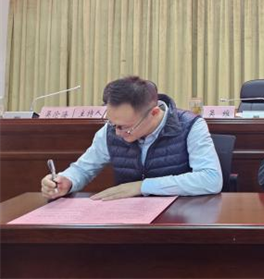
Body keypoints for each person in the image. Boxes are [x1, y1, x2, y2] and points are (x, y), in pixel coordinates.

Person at [41, 76, 222, 200]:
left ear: (154, 113)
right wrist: (67, 181)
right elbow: (83, 168)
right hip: (129, 219)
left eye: (125, 127)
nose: (117, 133)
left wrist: (142, 186)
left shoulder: (190, 125)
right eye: (113, 124)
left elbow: (210, 179)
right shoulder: (111, 129)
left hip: (180, 217)